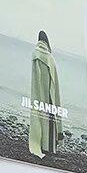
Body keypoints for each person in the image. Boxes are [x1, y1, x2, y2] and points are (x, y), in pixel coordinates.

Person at [28, 29, 64, 158]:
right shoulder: (49, 57)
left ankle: (41, 144)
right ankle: (49, 148)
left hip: (38, 92)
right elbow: (54, 81)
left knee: (39, 118)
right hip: (48, 93)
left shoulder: (34, 54)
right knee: (50, 120)